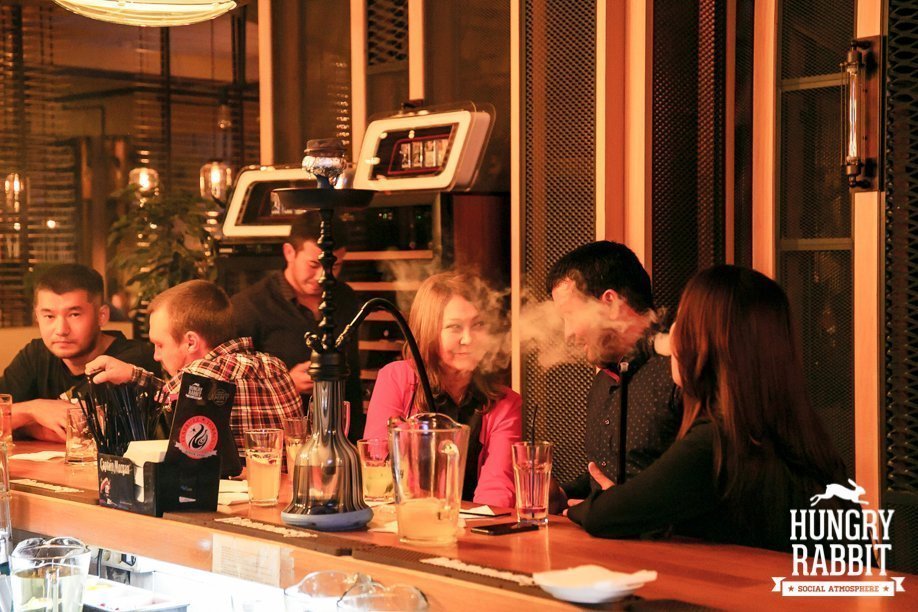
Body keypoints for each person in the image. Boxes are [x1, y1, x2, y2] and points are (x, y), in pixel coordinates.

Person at [567, 265, 852, 551]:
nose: (672, 335)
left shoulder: (717, 443)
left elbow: (603, 517)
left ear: (706, 344)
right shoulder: (800, 438)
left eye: (682, 322)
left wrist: (602, 505)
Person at [363, 271, 522, 508]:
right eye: (455, 327)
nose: (469, 339)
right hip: (406, 517)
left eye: (478, 325)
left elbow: (497, 488)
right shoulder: (396, 378)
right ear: (429, 332)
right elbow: (378, 466)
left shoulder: (506, 402)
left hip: (473, 524)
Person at [86, 280, 302, 453]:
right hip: (283, 486)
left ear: (191, 342)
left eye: (160, 345)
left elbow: (168, 398)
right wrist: (132, 374)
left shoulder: (199, 375)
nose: (156, 355)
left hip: (229, 492)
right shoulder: (274, 366)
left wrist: (134, 378)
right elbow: (179, 394)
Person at [547, 241, 680, 507]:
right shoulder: (604, 382)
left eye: (570, 315)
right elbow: (609, 475)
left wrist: (619, 507)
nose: (568, 334)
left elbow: (698, 483)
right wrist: (563, 494)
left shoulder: (678, 371)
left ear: (610, 302)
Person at [232, 211, 364, 442]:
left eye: (335, 266)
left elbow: (352, 377)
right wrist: (286, 384)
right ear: (289, 252)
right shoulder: (249, 306)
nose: (323, 276)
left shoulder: (345, 298)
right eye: (314, 264)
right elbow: (231, 387)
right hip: (277, 440)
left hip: (338, 435)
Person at [0, 264, 156, 442]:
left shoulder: (130, 360)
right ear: (37, 317)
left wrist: (15, 423)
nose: (61, 330)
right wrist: (33, 409)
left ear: (102, 316)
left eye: (74, 315)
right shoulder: (36, 354)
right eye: (49, 316)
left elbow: (83, 432)